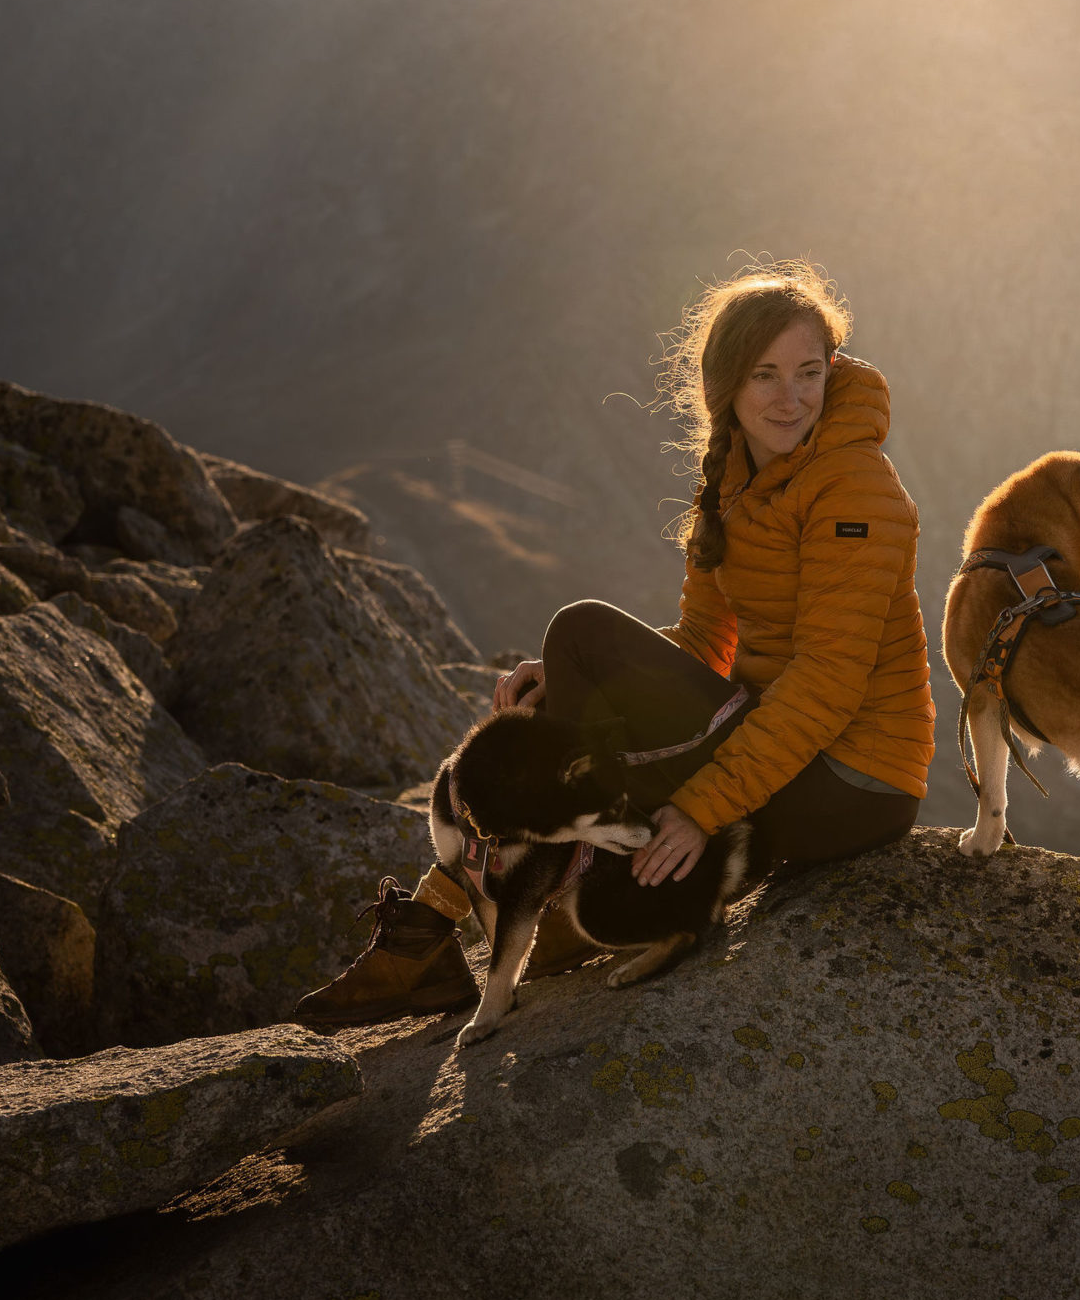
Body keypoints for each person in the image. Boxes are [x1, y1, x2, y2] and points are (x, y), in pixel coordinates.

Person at [296, 260, 936, 1028]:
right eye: (764, 374)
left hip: (852, 782)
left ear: (832, 369)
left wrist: (699, 809)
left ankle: (460, 924)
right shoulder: (735, 475)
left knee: (581, 636)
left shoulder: (852, 487)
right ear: (725, 383)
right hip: (783, 747)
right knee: (570, 662)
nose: (790, 397)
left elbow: (828, 684)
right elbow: (703, 641)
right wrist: (572, 677)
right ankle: (459, 922)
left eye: (808, 372)